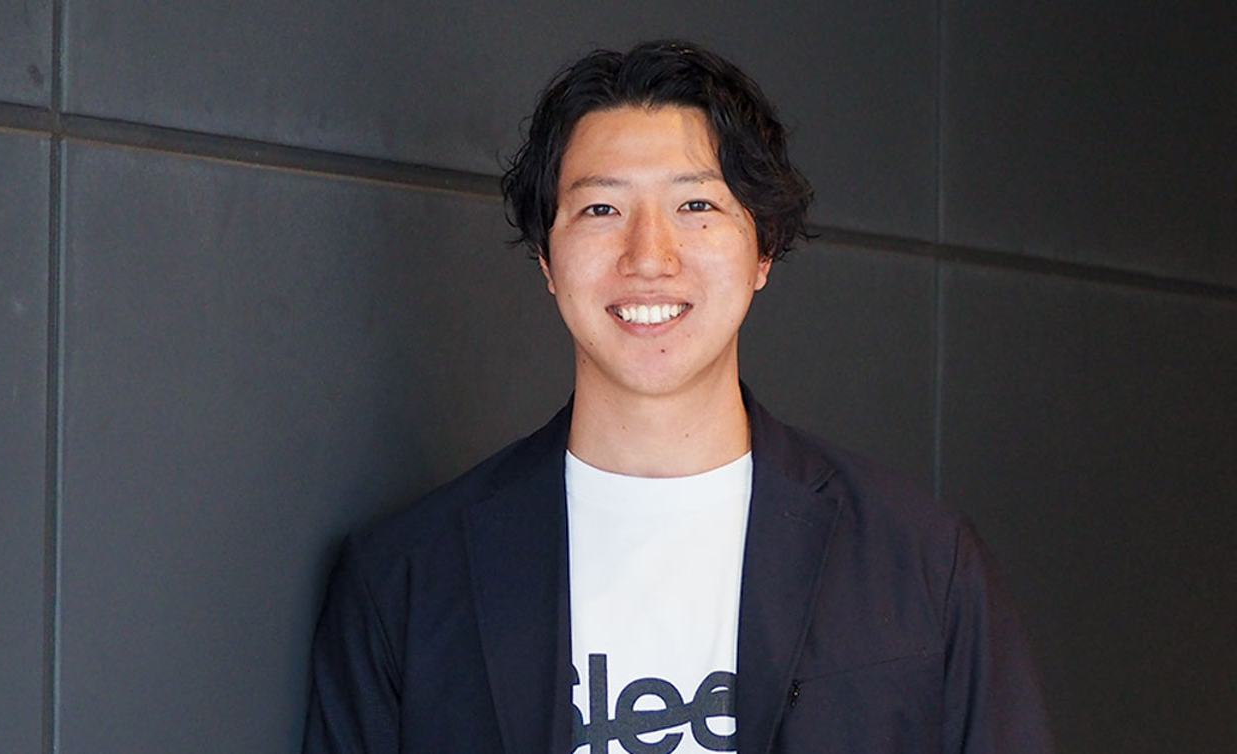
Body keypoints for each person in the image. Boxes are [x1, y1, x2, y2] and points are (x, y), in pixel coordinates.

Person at [303, 40, 1053, 754]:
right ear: (546, 258)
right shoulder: (405, 579)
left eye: (696, 206)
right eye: (602, 210)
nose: (649, 257)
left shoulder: (920, 563)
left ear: (763, 249)